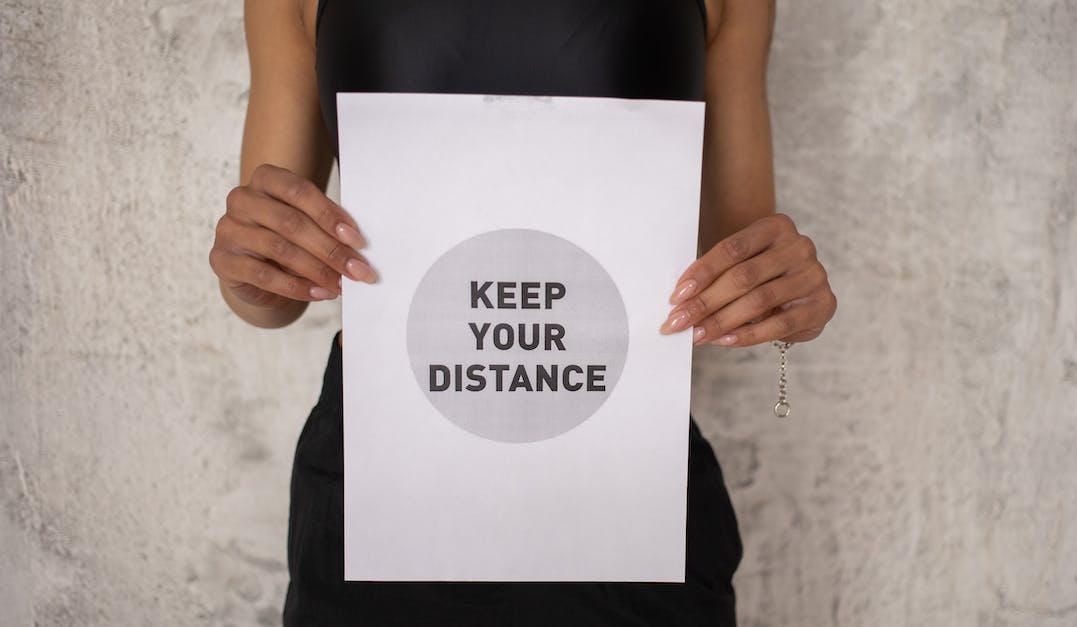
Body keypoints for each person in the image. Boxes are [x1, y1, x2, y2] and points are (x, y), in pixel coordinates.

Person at [208, 0, 837, 624]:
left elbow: (742, 253)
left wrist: (780, 293)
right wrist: (254, 277)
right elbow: (271, 288)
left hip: (625, 482)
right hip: (385, 480)